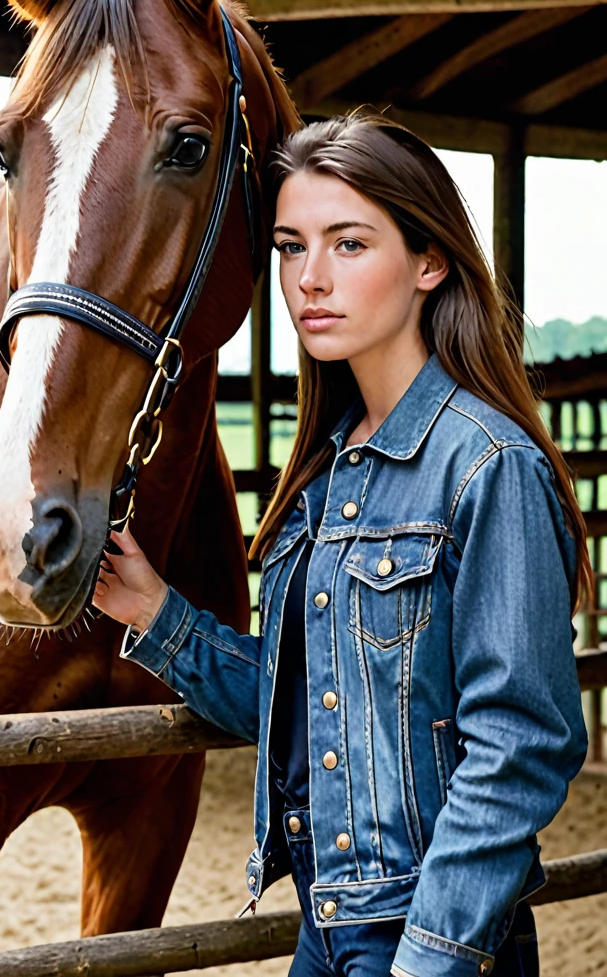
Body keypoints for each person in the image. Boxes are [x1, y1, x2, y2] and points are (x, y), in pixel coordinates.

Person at [92, 111, 591, 977]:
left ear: (430, 262)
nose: (309, 279)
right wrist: (161, 617)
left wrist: (429, 958)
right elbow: (319, 701)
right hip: (326, 927)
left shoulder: (486, 466)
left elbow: (522, 746)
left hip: (437, 943)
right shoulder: (328, 475)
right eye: (290, 247)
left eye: (349, 244)